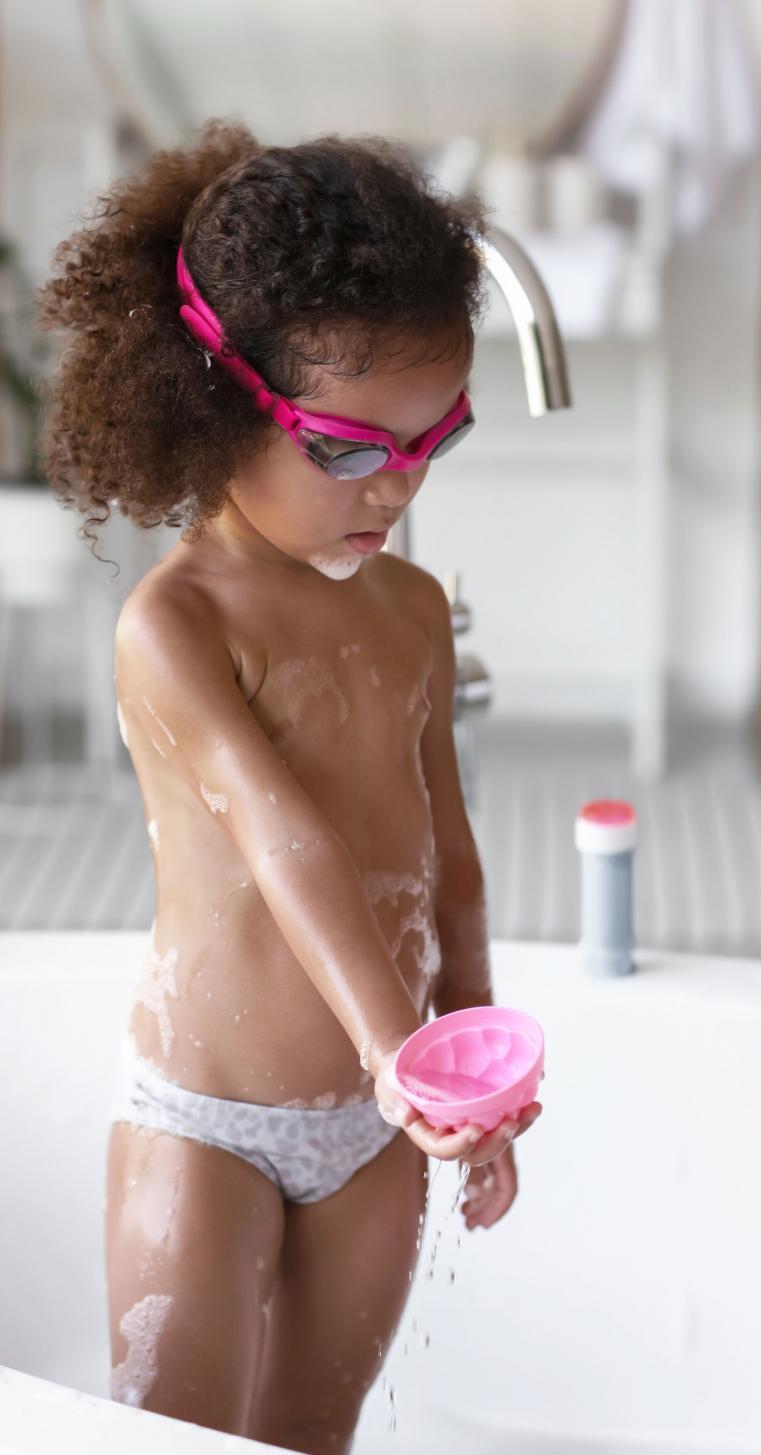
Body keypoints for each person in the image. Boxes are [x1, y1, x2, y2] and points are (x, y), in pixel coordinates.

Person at [36, 117, 542, 1454]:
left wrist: (471, 1069)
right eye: (348, 448)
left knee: (312, 1436)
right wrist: (404, 1059)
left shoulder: (415, 609)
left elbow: (450, 856)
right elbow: (285, 843)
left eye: (438, 436)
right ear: (215, 400)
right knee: (177, 1437)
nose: (402, 479)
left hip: (374, 1137)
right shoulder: (178, 623)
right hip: (206, 1119)